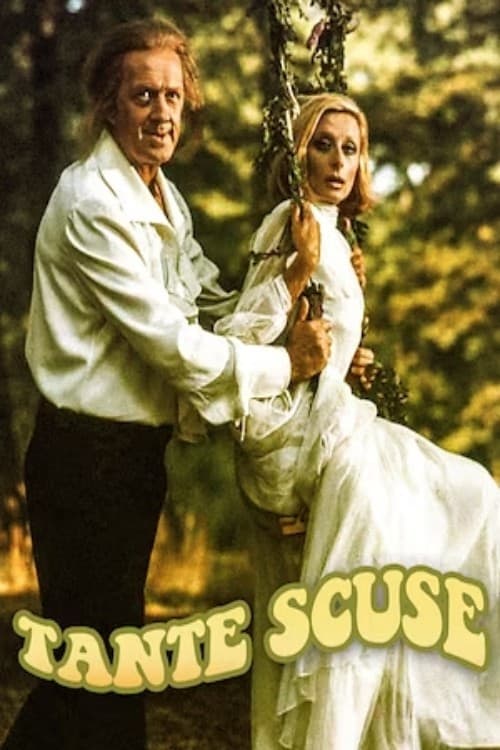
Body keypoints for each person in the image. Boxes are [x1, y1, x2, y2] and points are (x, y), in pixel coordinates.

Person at [1, 18, 333, 750]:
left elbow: (209, 306)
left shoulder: (161, 196)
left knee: (96, 668)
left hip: (129, 459)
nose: (162, 114)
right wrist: (288, 365)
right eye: (143, 95)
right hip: (83, 458)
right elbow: (175, 347)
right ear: (108, 105)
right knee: (95, 671)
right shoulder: (92, 201)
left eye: (173, 97)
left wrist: (294, 276)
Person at [214, 92, 500, 749]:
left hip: (337, 419)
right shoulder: (289, 222)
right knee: (377, 567)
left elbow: (321, 341)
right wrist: (296, 276)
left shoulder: (336, 233)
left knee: (472, 497)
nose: (338, 161)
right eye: (323, 145)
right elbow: (241, 335)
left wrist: (347, 359)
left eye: (351, 148)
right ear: (298, 154)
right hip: (299, 439)